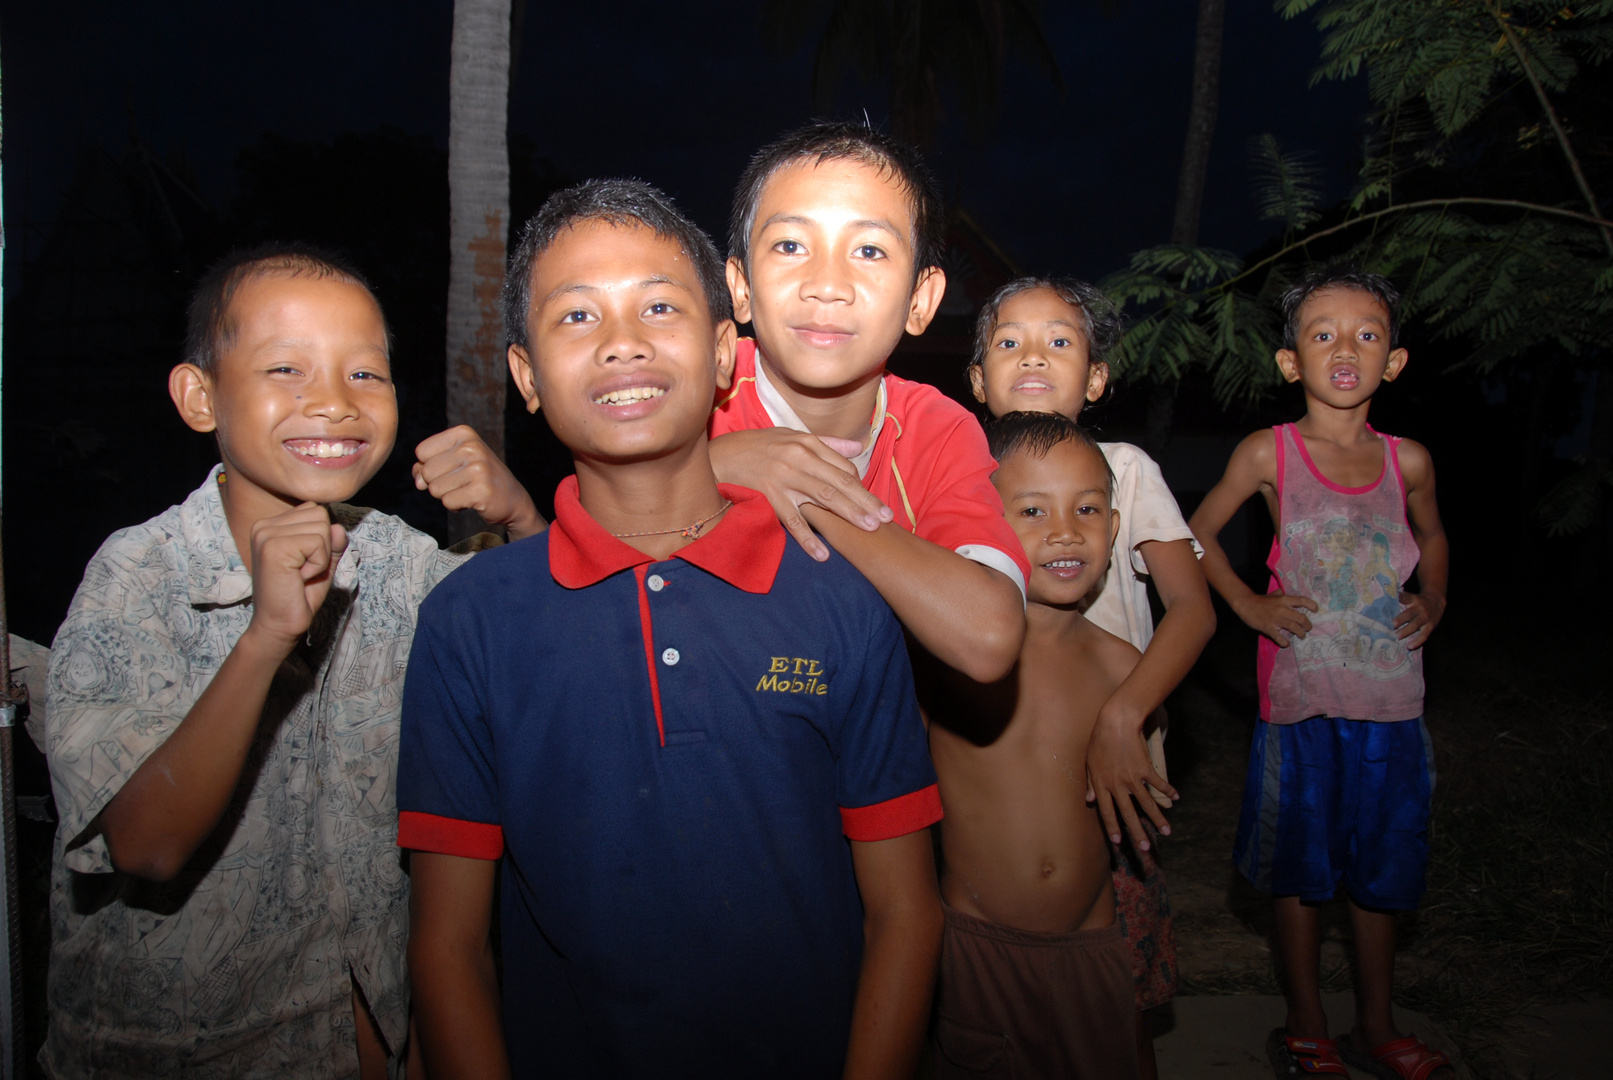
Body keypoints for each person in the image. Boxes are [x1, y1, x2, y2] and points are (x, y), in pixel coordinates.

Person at [399, 179, 944, 1080]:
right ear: (527, 378)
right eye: (576, 317)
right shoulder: (471, 620)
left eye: (659, 305)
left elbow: (907, 914)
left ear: (726, 352)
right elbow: (447, 949)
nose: (623, 343)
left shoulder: (840, 597)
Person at [43, 243, 544, 1078]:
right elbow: (145, 846)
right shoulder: (139, 573)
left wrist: (522, 514)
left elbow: (549, 633)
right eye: (286, 368)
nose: (333, 403)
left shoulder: (396, 559)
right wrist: (265, 638)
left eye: (365, 375)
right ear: (199, 397)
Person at [1188, 265, 1451, 1080]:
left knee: (1380, 872)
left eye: (1366, 334)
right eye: (1322, 333)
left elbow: (1433, 538)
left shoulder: (1406, 461)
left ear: (1393, 362)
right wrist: (1245, 604)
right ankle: (1307, 1026)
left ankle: (1380, 1026)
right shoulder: (1269, 451)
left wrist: (1434, 600)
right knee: (1299, 873)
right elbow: (1192, 532)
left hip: (1390, 705)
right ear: (1289, 361)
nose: (1346, 347)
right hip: (1299, 705)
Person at [967, 276, 1215, 1077]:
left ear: (1096, 378)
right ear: (976, 380)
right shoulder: (955, 476)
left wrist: (1123, 716)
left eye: (1059, 342)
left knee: (1117, 995)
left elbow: (1193, 609)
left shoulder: (1127, 469)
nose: (1033, 355)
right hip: (1004, 780)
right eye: (1009, 342)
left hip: (1115, 769)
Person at [707, 120, 1029, 685]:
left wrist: (811, 490)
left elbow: (989, 636)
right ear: (740, 286)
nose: (827, 283)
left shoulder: (939, 431)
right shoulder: (694, 398)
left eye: (869, 250)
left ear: (921, 300)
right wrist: (710, 463)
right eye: (790, 245)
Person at [920, 410, 1141, 1079]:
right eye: (1032, 511)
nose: (1065, 532)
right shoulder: (942, 660)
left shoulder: (1122, 669)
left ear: (1113, 524)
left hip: (1091, 947)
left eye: (1087, 508)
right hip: (975, 950)